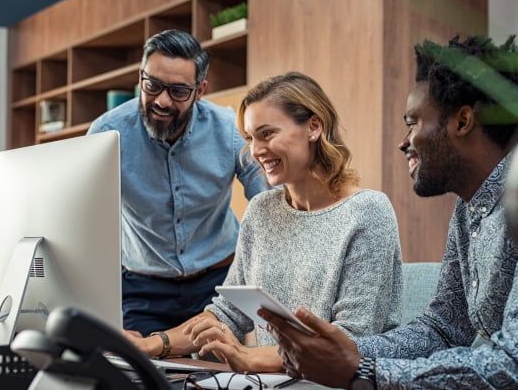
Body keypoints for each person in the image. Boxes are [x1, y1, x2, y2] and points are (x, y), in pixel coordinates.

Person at [260, 35, 518, 389]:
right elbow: (443, 329)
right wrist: (349, 351)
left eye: (412, 122)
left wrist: (366, 372)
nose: (404, 141)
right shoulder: (468, 209)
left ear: (462, 121)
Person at [123, 71, 403, 373]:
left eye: (267, 134)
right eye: (250, 138)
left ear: (313, 126)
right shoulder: (261, 210)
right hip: (271, 380)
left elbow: (351, 341)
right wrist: (153, 344)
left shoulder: (368, 211)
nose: (255, 151)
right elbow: (227, 313)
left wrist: (250, 357)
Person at [87, 29, 269, 336]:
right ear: (140, 75)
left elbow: (268, 204)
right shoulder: (107, 134)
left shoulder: (228, 131)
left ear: (200, 91)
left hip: (218, 285)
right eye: (153, 85)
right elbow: (84, 216)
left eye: (178, 91)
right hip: (142, 289)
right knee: (142, 376)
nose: (162, 100)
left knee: (215, 379)